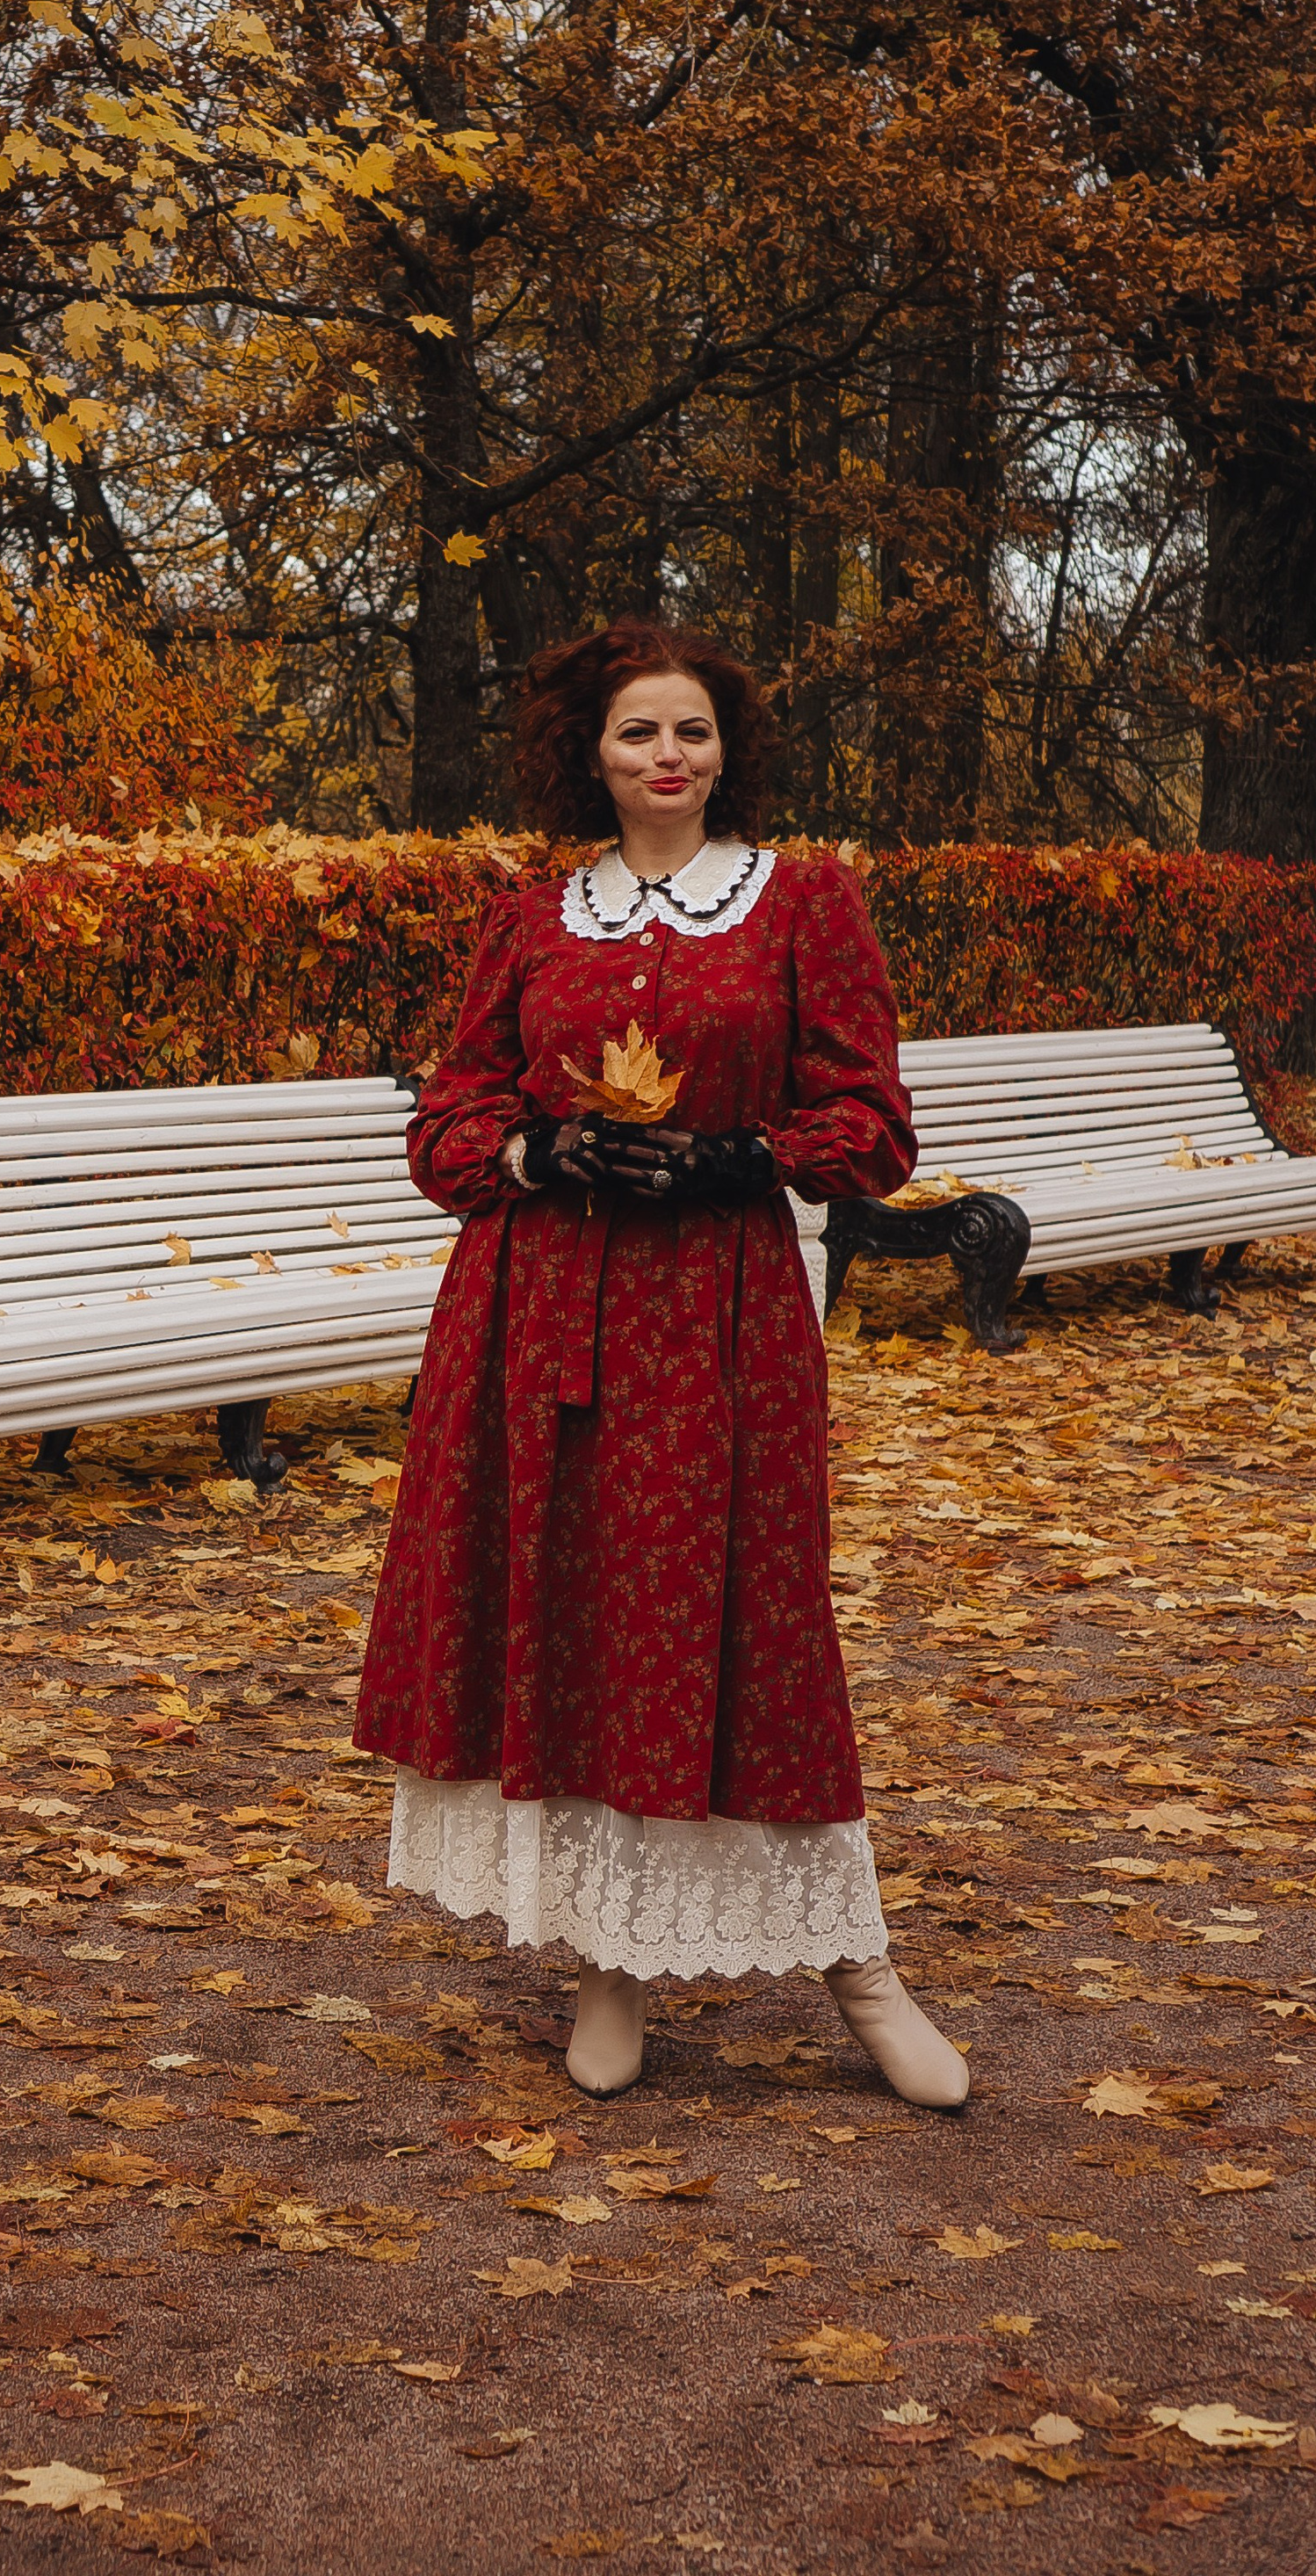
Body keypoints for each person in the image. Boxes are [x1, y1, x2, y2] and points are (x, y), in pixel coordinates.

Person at [354, 621, 968, 2109]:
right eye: (639, 733)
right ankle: (607, 1967)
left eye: (690, 731)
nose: (667, 758)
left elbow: (877, 1126)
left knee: (754, 1624)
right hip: (541, 1306)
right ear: (594, 752)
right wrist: (535, 1145)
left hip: (721, 1311)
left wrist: (738, 1157)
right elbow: (444, 1124)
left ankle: (863, 1971)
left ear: (726, 750)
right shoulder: (532, 917)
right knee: (577, 1616)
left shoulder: (802, 904)